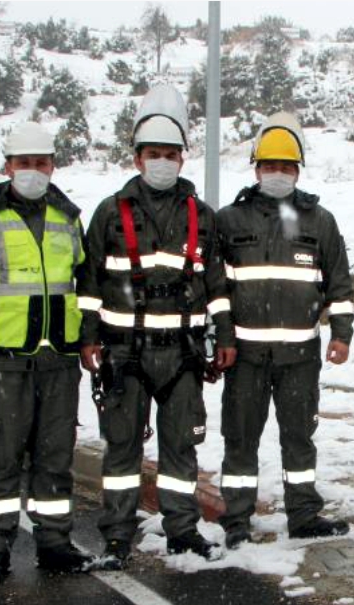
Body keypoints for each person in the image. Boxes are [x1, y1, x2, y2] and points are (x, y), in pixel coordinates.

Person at [78, 86, 236, 568]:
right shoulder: (110, 212)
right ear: (137, 157)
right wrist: (88, 337)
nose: (162, 162)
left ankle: (182, 529)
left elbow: (217, 284)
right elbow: (90, 283)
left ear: (183, 158)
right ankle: (118, 532)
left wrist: (224, 336)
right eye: (153, 154)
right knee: (122, 451)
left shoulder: (202, 216)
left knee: (180, 448)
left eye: (170, 154)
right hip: (124, 353)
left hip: (183, 354)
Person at [0, 122, 94, 586]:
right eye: (24, 164)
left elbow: (85, 286)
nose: (33, 171)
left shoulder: (68, 215)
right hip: (5, 358)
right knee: (3, 457)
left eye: (41, 163)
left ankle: (54, 542)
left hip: (59, 359)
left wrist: (87, 337)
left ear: (52, 165)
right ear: (8, 166)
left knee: (55, 456)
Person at [214, 113, 354, 549]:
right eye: (270, 166)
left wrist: (342, 334)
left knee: (299, 439)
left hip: (300, 356)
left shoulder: (320, 221)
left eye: (286, 167)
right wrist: (222, 337)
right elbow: (215, 288)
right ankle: (237, 519)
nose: (278, 174)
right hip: (245, 356)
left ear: (298, 171)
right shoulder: (230, 220)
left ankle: (304, 514)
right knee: (240, 440)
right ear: (256, 169)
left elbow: (340, 284)